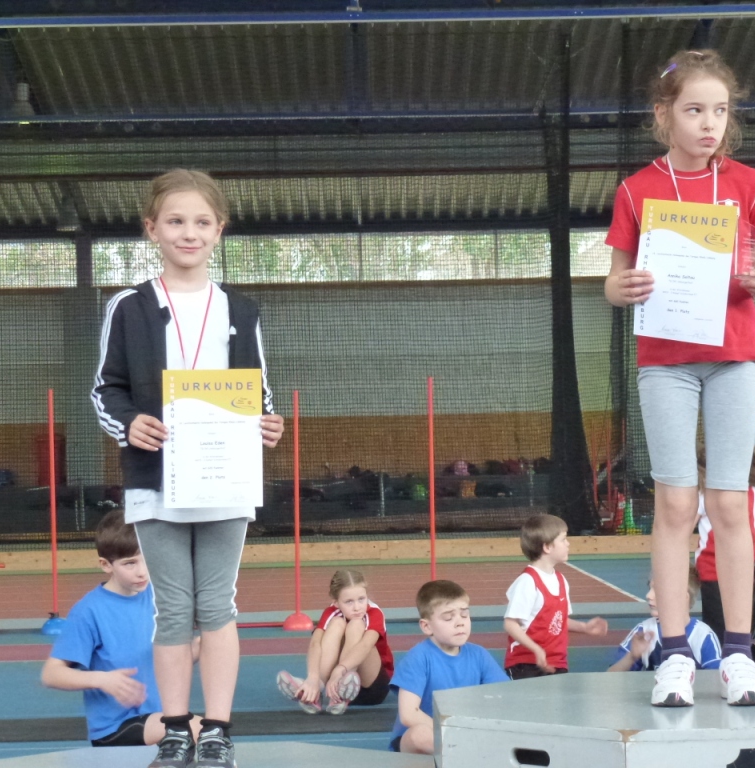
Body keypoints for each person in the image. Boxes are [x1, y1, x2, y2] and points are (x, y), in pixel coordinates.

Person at [603, 49, 755, 706]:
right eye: (695, 110)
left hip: (734, 356)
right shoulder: (636, 190)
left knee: (731, 503)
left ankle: (738, 656)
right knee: (676, 505)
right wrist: (622, 288)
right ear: (664, 114)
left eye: (720, 111)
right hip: (666, 363)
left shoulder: (748, 184)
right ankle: (674, 654)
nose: (710, 124)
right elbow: (613, 282)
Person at [91, 169, 285, 768]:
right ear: (152, 229)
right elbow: (105, 388)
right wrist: (129, 424)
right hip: (157, 480)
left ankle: (218, 730)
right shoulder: (128, 306)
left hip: (226, 477)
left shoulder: (241, 308)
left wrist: (267, 423)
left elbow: (257, 390)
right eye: (175, 221)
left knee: (218, 604)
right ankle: (177, 730)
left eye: (202, 222)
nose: (189, 232)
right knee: (173, 607)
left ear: (219, 230)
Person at [41, 510, 199, 747]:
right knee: (200, 732)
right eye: (130, 563)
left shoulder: (161, 595)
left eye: (147, 558)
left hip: (161, 717)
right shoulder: (89, 611)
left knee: (210, 738)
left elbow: (173, 659)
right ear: (106, 565)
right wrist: (102, 680)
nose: (142, 571)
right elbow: (51, 674)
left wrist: (204, 645)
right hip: (115, 729)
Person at [389, 580, 508, 755]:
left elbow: (504, 697)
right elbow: (409, 714)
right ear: (427, 626)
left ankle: (469, 753)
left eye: (464, 615)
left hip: (468, 735)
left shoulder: (479, 654)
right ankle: (470, 753)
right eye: (448, 618)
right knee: (419, 734)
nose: (460, 623)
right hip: (428, 740)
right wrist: (452, 733)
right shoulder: (418, 658)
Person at [503, 514, 608, 679]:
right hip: (526, 663)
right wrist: (536, 649)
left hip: (556, 662)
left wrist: (584, 627)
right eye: (563, 539)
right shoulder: (528, 581)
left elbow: (557, 620)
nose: (568, 544)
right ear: (547, 547)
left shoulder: (561, 580)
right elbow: (511, 624)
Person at [277, 569, 394, 715]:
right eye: (349, 602)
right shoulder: (331, 612)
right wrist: (313, 677)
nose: (357, 607)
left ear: (367, 596)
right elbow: (315, 643)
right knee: (336, 623)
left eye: (361, 599)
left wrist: (340, 670)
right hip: (335, 683)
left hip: (372, 687)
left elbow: (365, 645)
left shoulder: (374, 613)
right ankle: (315, 690)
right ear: (336, 602)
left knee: (356, 624)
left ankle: (341, 684)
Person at [694, 445, 755, 643]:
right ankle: (716, 652)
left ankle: (739, 651)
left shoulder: (752, 494)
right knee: (717, 619)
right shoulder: (706, 495)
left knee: (742, 617)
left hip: (742, 568)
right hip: (711, 568)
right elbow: (687, 524)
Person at [609, 568, 722, 672]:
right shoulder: (644, 631)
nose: (648, 595)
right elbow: (610, 677)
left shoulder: (703, 636)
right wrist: (631, 657)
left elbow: (715, 680)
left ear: (683, 597)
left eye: (658, 590)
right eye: (650, 588)